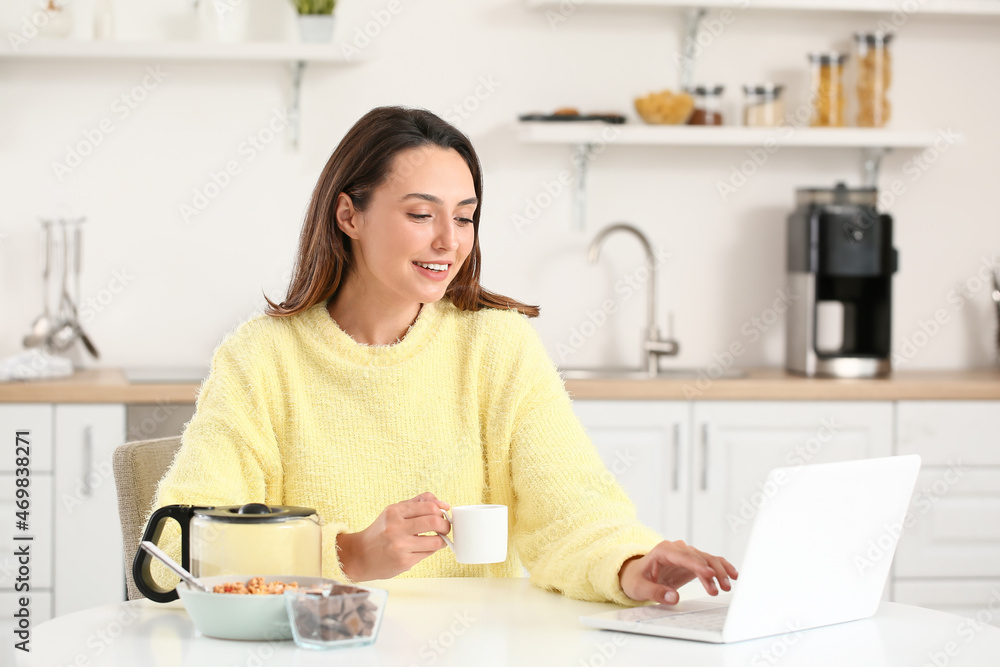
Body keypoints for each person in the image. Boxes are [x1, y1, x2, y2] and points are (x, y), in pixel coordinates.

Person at [151, 105, 737, 606]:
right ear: (349, 214)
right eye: (420, 214)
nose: (449, 241)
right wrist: (346, 554)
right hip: (319, 650)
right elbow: (180, 547)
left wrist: (631, 566)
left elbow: (572, 511)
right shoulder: (261, 358)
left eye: (464, 217)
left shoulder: (496, 346)